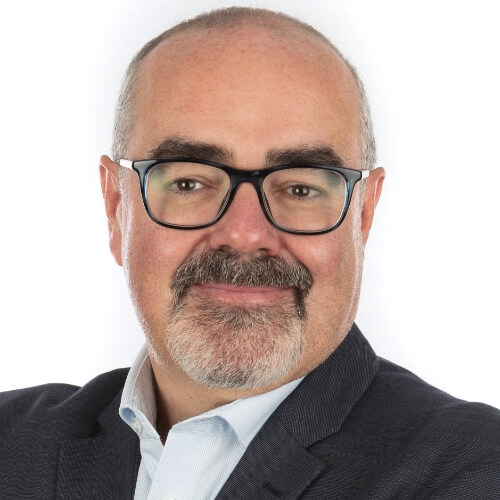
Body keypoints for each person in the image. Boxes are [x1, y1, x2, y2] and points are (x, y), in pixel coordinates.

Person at [0, 6, 498, 499]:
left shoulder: (475, 471)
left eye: (300, 188)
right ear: (116, 209)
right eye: (189, 183)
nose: (244, 234)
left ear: (362, 216)